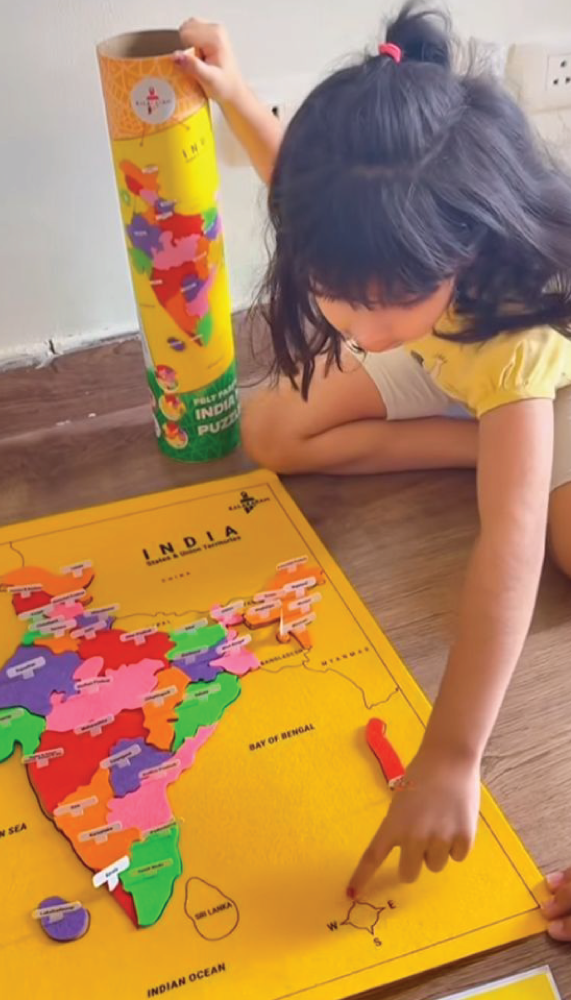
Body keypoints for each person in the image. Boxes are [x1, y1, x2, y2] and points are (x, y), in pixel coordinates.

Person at [175, 3, 571, 939]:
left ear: (458, 251)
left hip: (536, 385)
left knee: (553, 542)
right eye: (336, 292)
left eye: (383, 298)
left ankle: (519, 461)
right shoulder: (380, 256)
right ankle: (496, 457)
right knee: (273, 430)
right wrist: (234, 92)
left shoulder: (520, 329)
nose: (355, 320)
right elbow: (298, 182)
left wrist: (452, 757)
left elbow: (507, 555)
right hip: (448, 364)